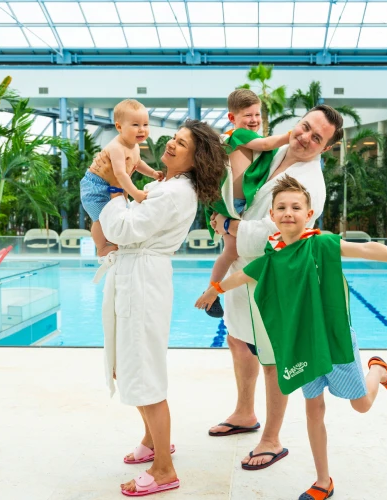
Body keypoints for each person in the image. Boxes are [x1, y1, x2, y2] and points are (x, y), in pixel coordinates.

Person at [196, 177, 387, 499]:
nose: (288, 212)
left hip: (335, 339)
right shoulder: (274, 257)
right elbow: (245, 274)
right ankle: (323, 481)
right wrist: (214, 289)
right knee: (314, 410)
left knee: (362, 405)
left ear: (309, 213)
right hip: (304, 347)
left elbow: (367, 249)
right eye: (281, 207)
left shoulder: (322, 243)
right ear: (271, 214)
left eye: (296, 207)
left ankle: (378, 371)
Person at [199, 106, 342, 471]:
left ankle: (272, 439)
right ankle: (245, 413)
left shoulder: (311, 183)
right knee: (236, 339)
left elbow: (281, 233)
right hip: (240, 266)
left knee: (272, 357)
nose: (306, 137)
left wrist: (230, 228)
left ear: (324, 148)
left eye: (317, 138)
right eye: (306, 127)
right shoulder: (273, 150)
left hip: (274, 273)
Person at [93, 120, 226, 497]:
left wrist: (114, 188)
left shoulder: (174, 192)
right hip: (135, 275)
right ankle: (153, 442)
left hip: (142, 278)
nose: (170, 144)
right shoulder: (164, 185)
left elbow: (122, 231)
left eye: (181, 143)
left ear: (195, 158)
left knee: (144, 370)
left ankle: (164, 469)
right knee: (129, 363)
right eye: (173, 138)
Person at [203, 88, 290, 318]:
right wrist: (290, 135)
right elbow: (266, 145)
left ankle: (212, 292)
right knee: (231, 252)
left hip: (235, 207)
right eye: (247, 115)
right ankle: (212, 291)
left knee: (230, 252)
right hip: (231, 205)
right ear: (233, 118)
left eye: (257, 115)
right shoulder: (239, 135)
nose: (254, 120)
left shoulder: (246, 138)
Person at [81, 99, 163, 258]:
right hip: (94, 188)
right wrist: (136, 193)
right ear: (119, 127)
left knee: (116, 215)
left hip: (109, 186)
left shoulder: (134, 145)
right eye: (135, 125)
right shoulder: (117, 147)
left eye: (145, 124)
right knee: (99, 218)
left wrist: (153, 173)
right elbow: (120, 174)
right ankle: (101, 247)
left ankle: (115, 241)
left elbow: (137, 163)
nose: (142, 130)